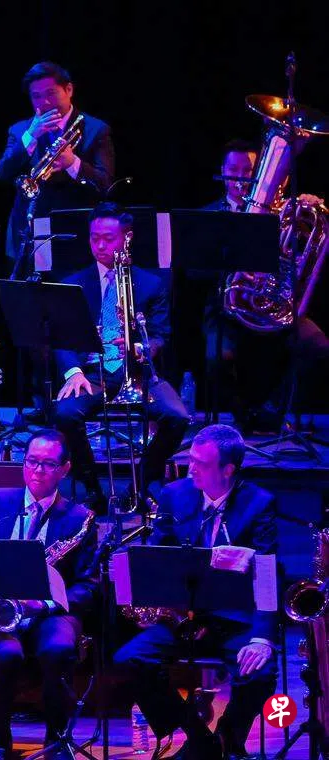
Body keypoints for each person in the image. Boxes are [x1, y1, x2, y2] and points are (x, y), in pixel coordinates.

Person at [114, 424, 277, 760]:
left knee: (260, 674)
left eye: (201, 463)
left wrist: (261, 638)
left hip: (236, 621)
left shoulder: (259, 503)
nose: (191, 469)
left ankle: (228, 740)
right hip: (183, 617)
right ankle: (198, 736)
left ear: (228, 470)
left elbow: (267, 575)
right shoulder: (174, 495)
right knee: (130, 658)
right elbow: (158, 554)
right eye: (191, 460)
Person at [53, 203, 189, 508]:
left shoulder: (151, 284)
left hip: (139, 372)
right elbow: (60, 337)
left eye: (108, 238)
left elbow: (161, 335)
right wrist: (73, 372)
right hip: (92, 373)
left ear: (126, 238)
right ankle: (92, 488)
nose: (100, 245)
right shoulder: (73, 283)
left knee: (177, 416)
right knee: (65, 413)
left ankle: (141, 482)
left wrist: (138, 347)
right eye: (94, 238)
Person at [0, 430, 97, 760]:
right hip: (1, 609)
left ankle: (57, 740)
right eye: (31, 461)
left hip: (53, 611)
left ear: (65, 469)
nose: (38, 470)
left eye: (48, 464)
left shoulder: (80, 518)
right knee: (3, 656)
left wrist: (42, 604)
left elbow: (88, 586)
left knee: (58, 649)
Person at [201, 140, 329, 431]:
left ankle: (272, 410)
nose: (240, 177)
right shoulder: (210, 215)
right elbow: (195, 271)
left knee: (318, 347)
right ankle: (242, 416)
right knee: (217, 357)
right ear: (222, 171)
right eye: (233, 170)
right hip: (227, 310)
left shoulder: (284, 211)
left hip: (274, 308)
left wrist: (309, 210)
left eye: (247, 171)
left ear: (258, 172)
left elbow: (301, 256)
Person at [0, 61, 114, 267]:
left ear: (69, 90)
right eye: (36, 96)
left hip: (75, 232)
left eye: (51, 93)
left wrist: (73, 163)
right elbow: (3, 172)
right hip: (29, 232)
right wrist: (30, 136)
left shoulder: (96, 129)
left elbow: (105, 184)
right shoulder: (20, 130)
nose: (45, 102)